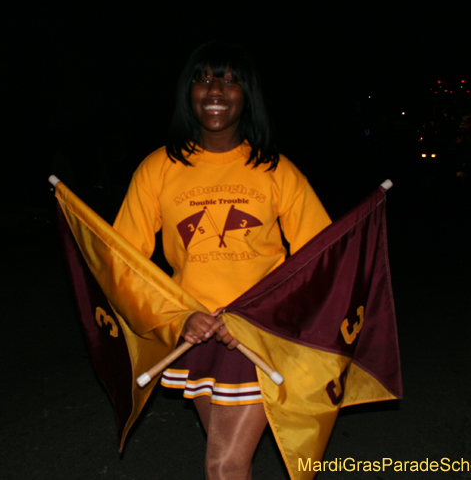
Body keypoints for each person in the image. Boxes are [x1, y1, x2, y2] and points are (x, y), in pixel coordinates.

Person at [113, 42, 331, 479]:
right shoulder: (157, 169)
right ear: (187, 92)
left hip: (258, 336)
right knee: (233, 462)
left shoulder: (277, 171)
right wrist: (178, 317)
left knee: (223, 465)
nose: (216, 89)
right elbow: (122, 263)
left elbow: (322, 259)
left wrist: (258, 316)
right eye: (204, 78)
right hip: (195, 336)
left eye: (231, 79)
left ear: (248, 95)